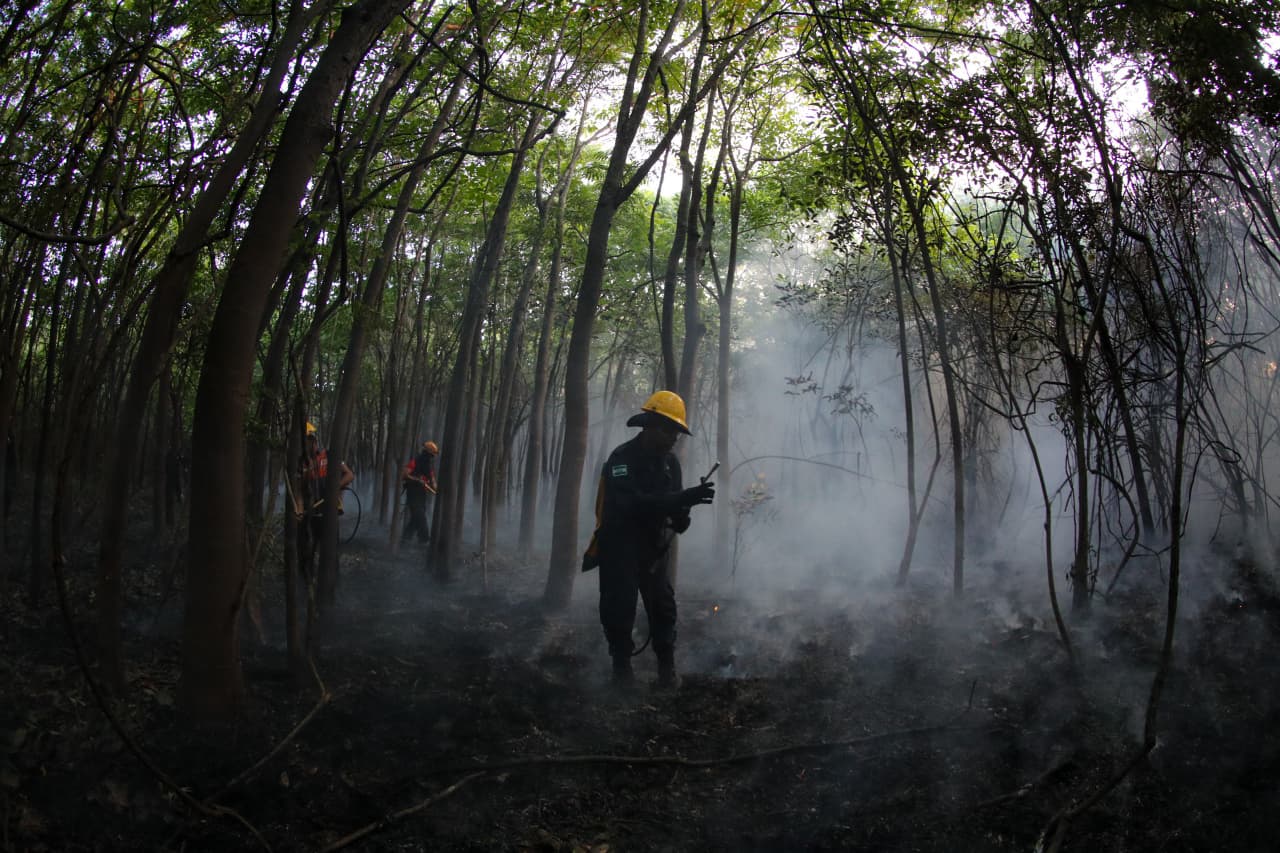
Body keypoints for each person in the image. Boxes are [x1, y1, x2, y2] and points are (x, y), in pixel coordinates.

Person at [582, 390, 715, 688]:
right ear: (650, 425)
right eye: (669, 430)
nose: (674, 438)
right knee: (619, 607)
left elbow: (672, 509)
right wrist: (681, 498)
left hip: (652, 548)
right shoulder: (621, 460)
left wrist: (683, 513)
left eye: (677, 433)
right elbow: (633, 504)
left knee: (664, 607)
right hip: (619, 547)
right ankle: (622, 672)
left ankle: (666, 670)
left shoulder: (671, 465)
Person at [298, 421, 354, 543]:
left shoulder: (328, 455)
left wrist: (335, 487)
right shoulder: (302, 462)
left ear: (315, 441)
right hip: (312, 512)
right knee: (312, 545)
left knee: (331, 545)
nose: (309, 445)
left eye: (311, 441)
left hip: (330, 510)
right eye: (306, 441)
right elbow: (300, 489)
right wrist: (300, 510)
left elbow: (349, 475)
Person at [401, 440, 438, 546]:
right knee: (421, 518)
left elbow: (432, 479)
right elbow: (404, 475)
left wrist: (436, 489)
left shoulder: (428, 465)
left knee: (415, 520)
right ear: (426, 453)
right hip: (413, 494)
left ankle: (405, 540)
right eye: (430, 455)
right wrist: (417, 480)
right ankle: (424, 540)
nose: (431, 458)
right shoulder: (415, 462)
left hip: (422, 495)